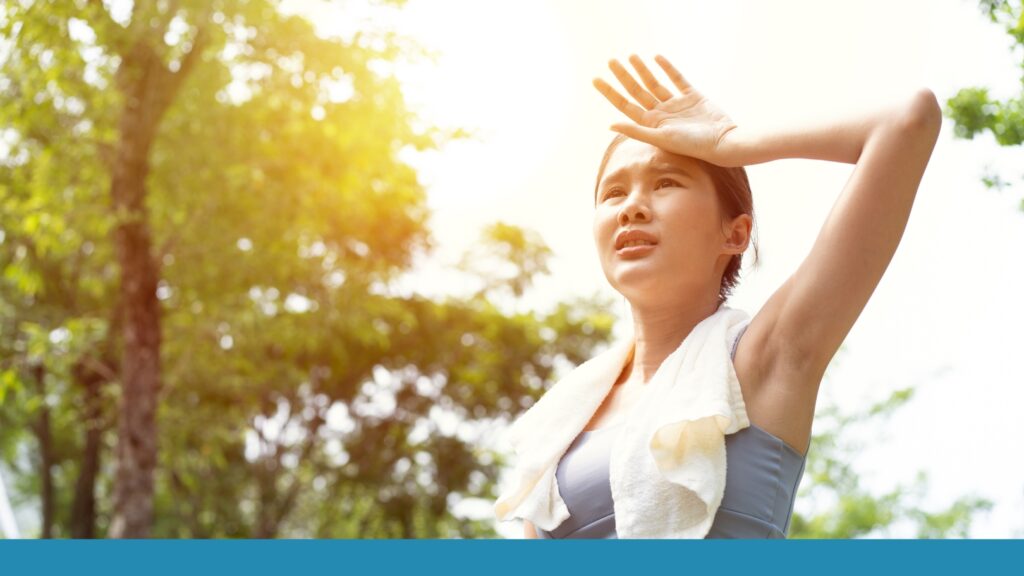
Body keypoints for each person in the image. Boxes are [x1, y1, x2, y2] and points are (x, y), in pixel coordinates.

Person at [519, 54, 941, 538]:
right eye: (614, 194)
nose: (632, 207)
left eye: (665, 182)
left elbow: (908, 119)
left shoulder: (763, 359)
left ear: (736, 234)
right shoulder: (560, 424)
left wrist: (732, 144)